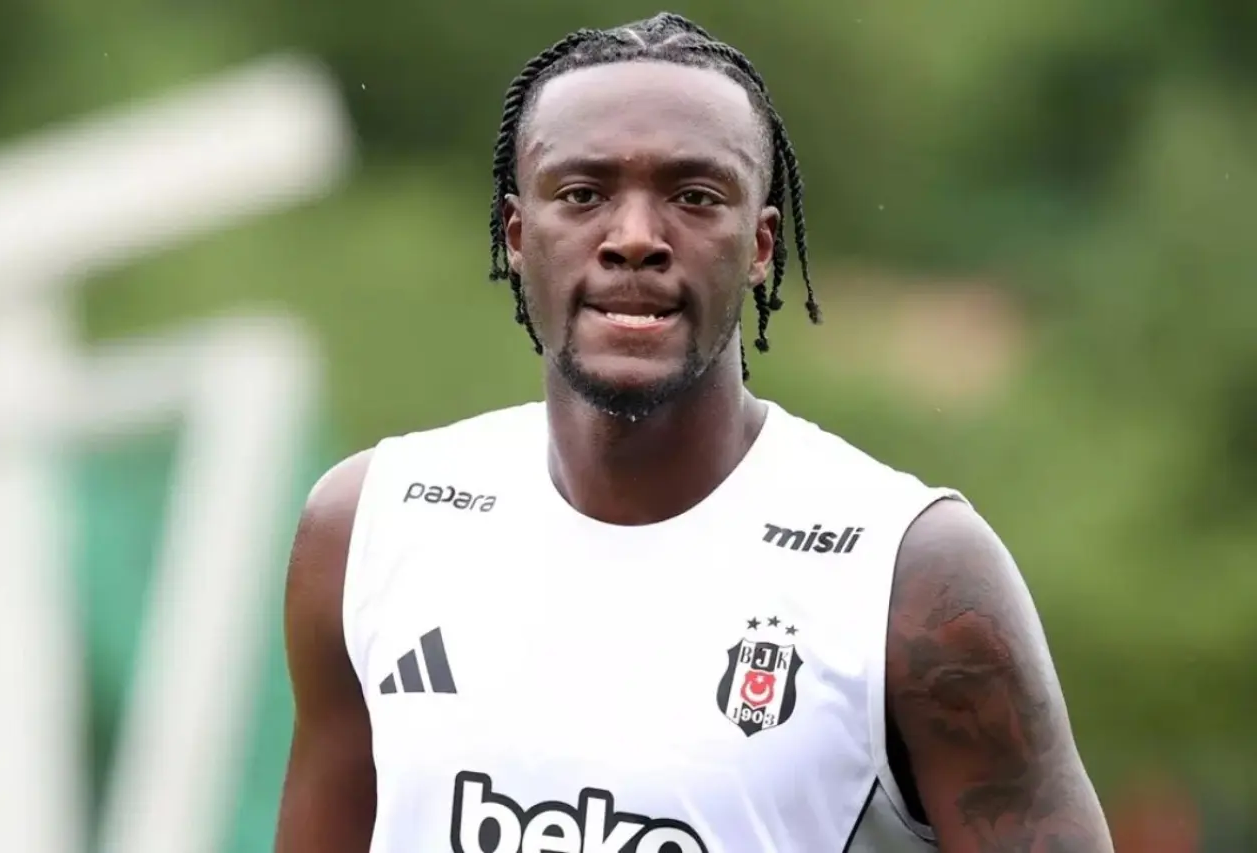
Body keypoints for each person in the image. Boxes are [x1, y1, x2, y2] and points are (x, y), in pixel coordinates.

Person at [274, 12, 1115, 853]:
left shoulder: (913, 576)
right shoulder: (370, 528)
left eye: (695, 197)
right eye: (583, 194)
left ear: (760, 244)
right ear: (518, 235)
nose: (635, 239)